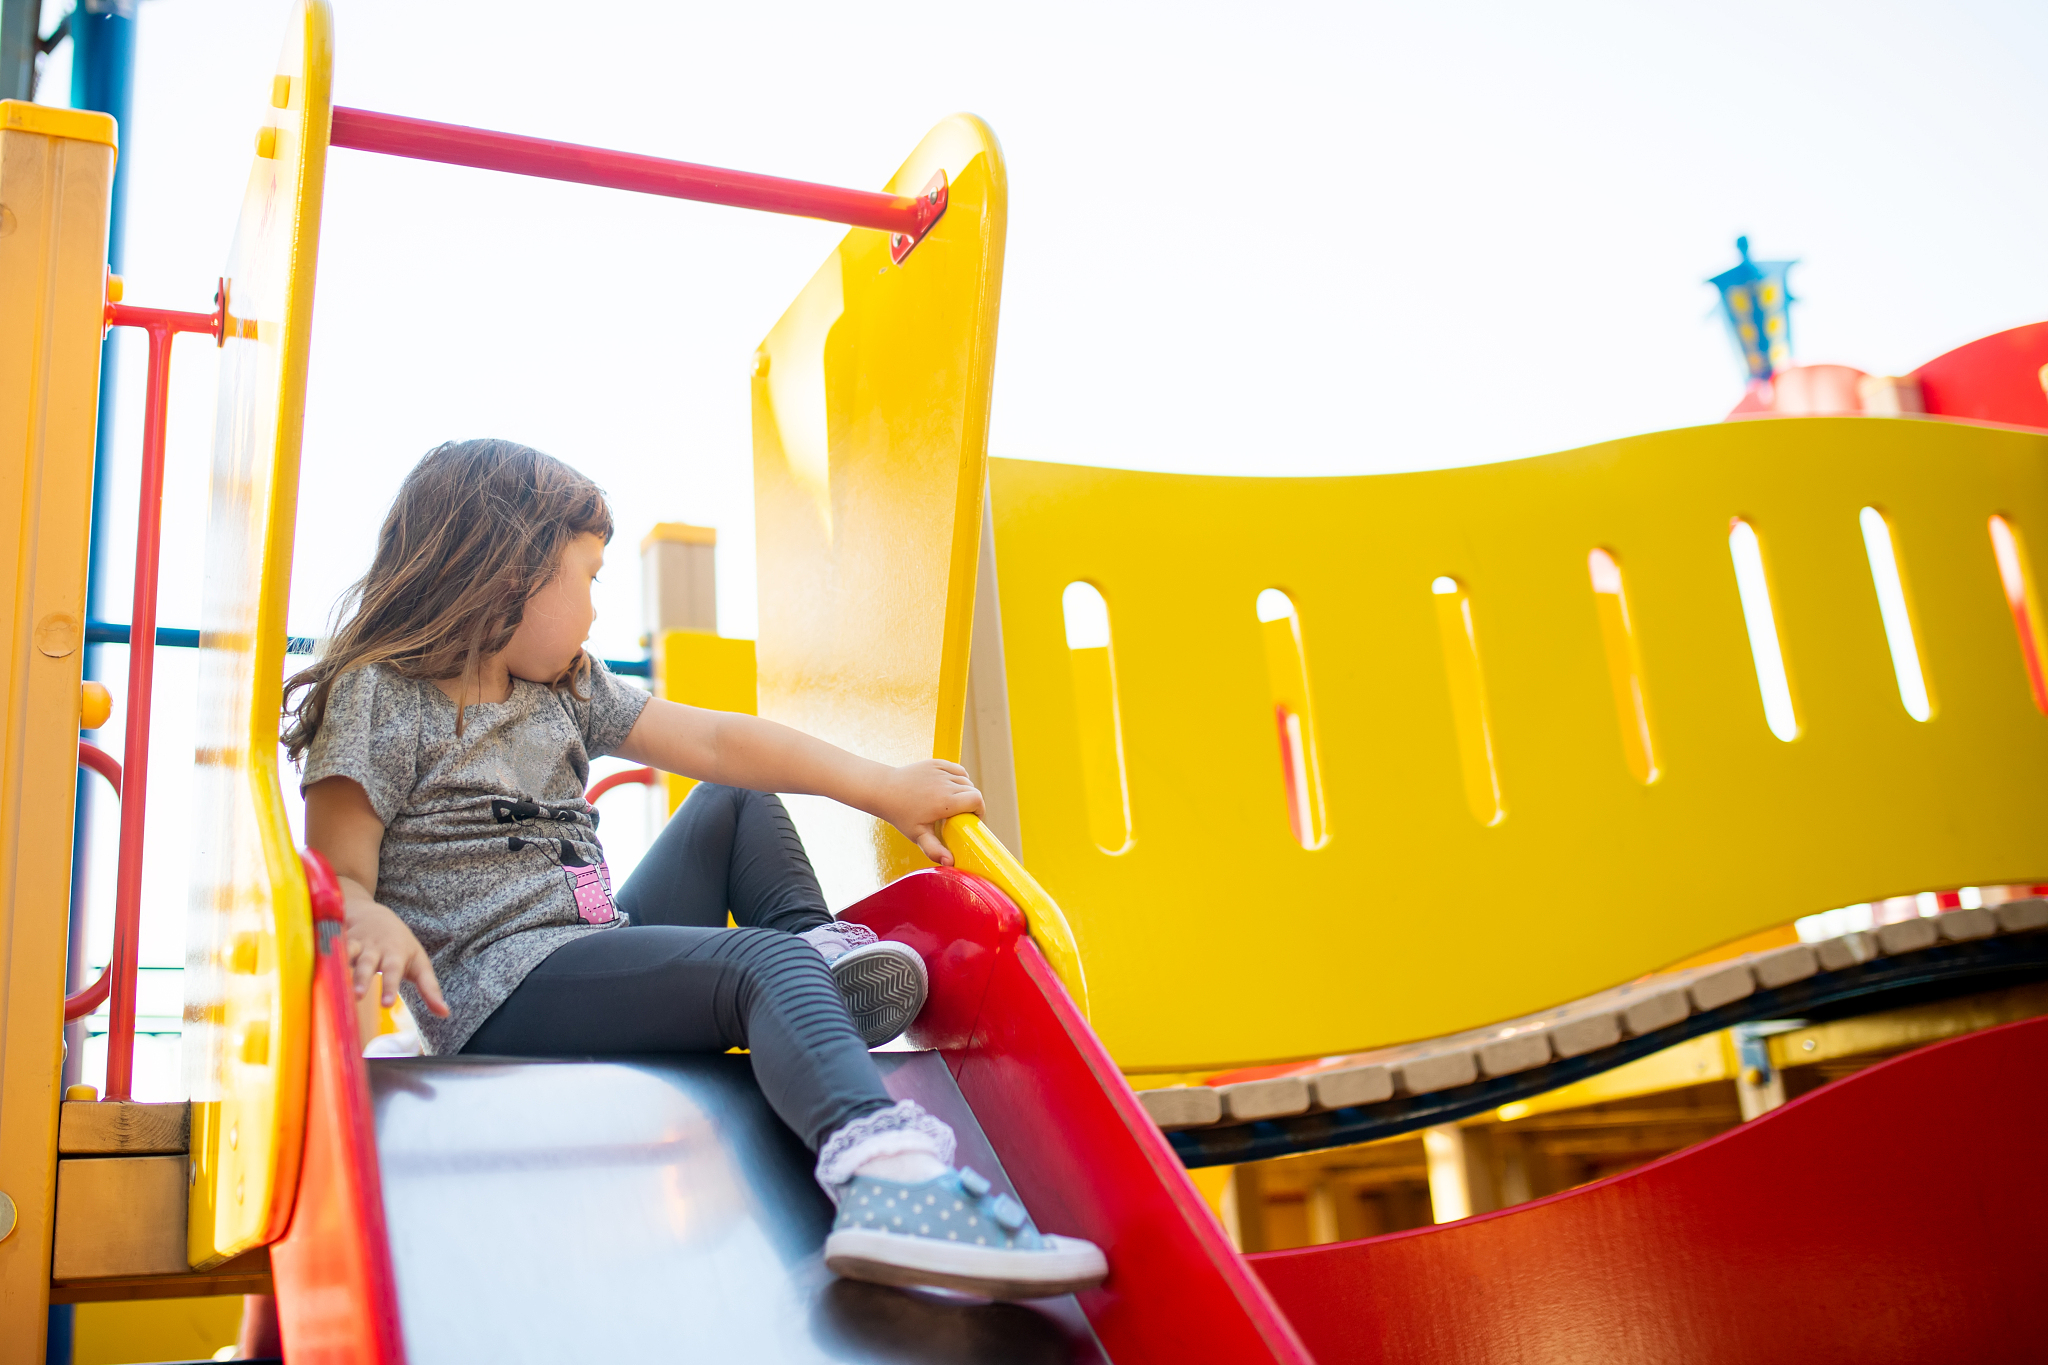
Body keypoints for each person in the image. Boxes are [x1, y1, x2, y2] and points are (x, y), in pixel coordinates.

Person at [284, 439, 1106, 1299]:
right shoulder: (381, 693)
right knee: (761, 965)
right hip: (499, 996)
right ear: (511, 571)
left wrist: (882, 787)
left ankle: (817, 956)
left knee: (732, 800)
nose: (597, 609)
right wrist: (365, 911)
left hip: (586, 944)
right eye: (589, 577)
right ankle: (889, 1182)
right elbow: (339, 875)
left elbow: (718, 741)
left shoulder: (564, 686)